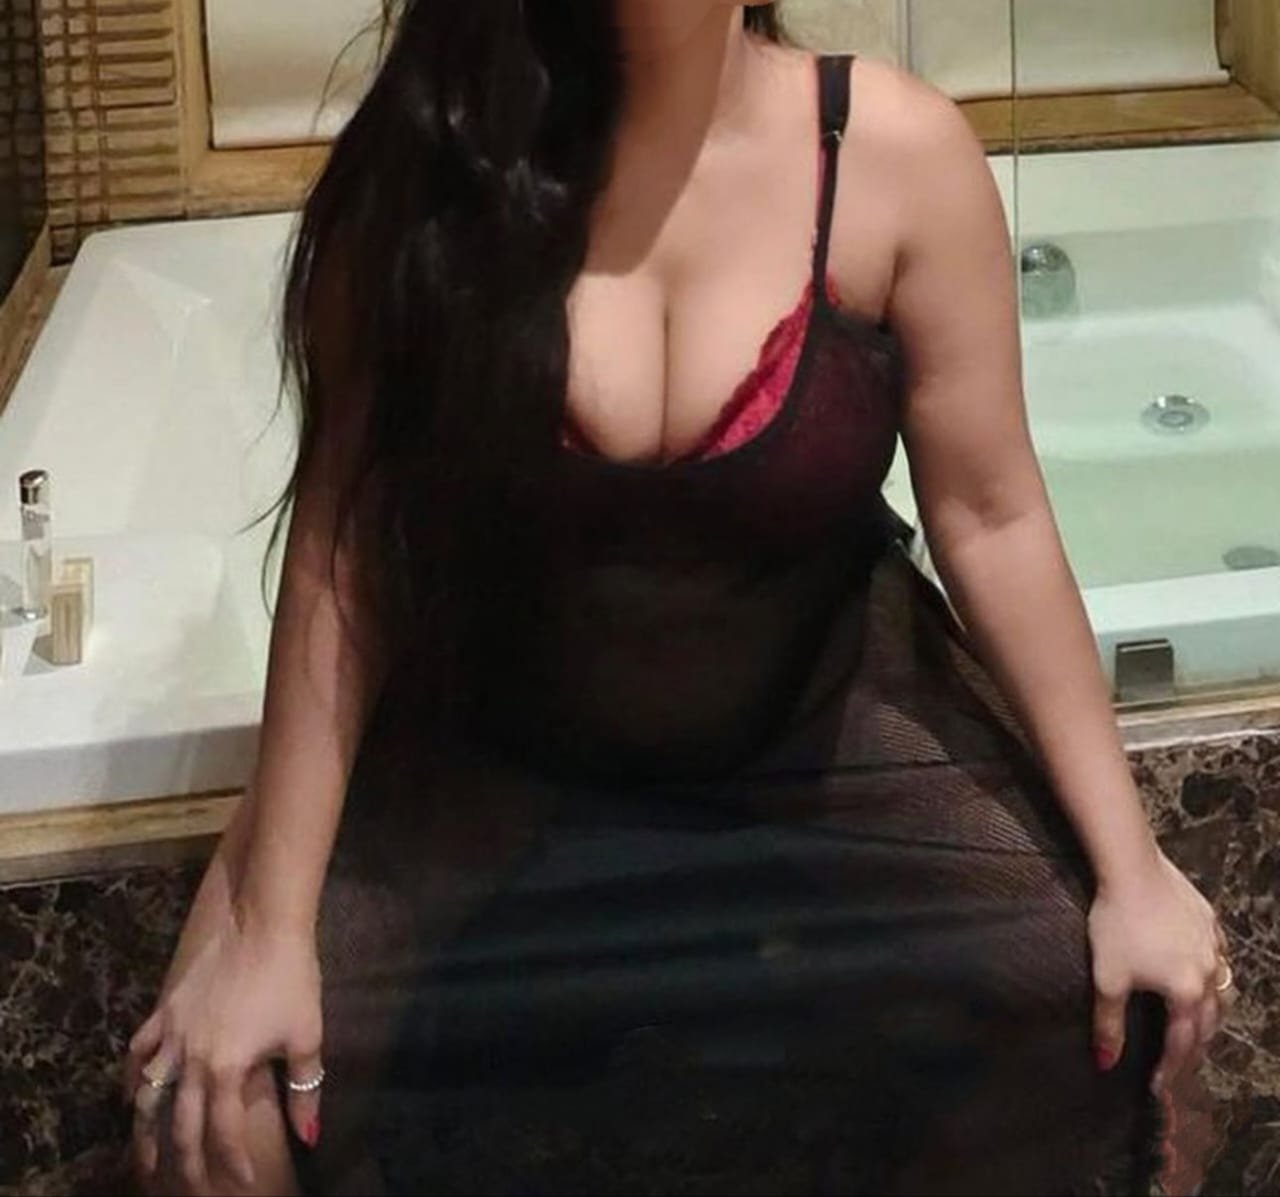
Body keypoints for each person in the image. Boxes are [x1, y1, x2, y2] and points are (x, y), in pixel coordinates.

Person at [124, 4, 1234, 1194]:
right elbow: (342, 553)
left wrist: (1133, 869)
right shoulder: (425, 166)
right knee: (218, 1121)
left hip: (819, 708)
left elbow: (991, 516)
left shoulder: (892, 156)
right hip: (491, 726)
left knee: (1125, 1029)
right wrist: (268, 929)